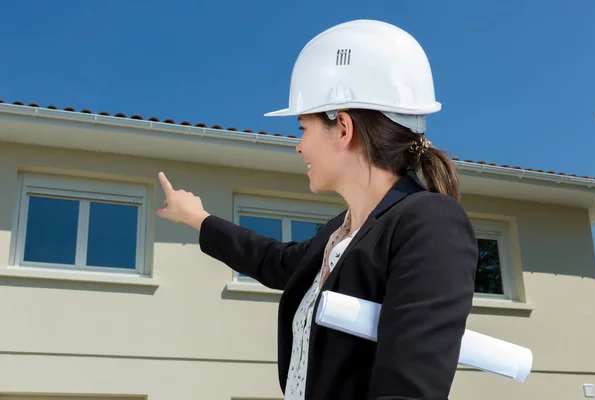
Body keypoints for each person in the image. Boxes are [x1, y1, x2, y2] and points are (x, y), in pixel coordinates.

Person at [156, 19, 478, 400]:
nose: (298, 146)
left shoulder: (429, 223)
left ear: (343, 128)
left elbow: (407, 391)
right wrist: (196, 218)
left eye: (302, 130)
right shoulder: (338, 236)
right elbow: (272, 260)